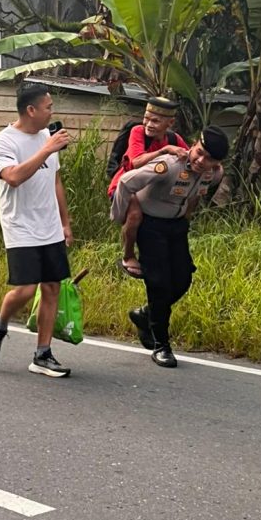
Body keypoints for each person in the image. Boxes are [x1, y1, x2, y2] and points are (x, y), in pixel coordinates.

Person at [110, 126, 229, 368]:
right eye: (199, 152)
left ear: (216, 163)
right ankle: (161, 345)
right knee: (159, 284)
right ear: (194, 145)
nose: (200, 160)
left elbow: (196, 196)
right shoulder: (168, 164)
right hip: (151, 226)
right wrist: (121, 217)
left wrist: (185, 221)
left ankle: (146, 314)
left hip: (175, 227)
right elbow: (125, 182)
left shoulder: (211, 173)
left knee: (183, 279)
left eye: (209, 159)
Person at [0, 83, 74, 378]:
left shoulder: (48, 136)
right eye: (48, 107)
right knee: (25, 289)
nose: (52, 112)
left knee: (52, 286)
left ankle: (42, 354)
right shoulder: (5, 141)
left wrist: (65, 222)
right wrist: (46, 149)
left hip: (49, 225)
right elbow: (13, 177)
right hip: (20, 225)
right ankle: (0, 324)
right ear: (31, 110)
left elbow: (55, 181)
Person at [108, 96, 189, 278]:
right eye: (146, 118)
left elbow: (189, 156)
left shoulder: (174, 139)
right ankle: (128, 255)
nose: (149, 124)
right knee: (135, 214)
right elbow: (136, 162)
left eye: (156, 121)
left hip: (153, 190)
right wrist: (164, 151)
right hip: (127, 185)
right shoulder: (137, 132)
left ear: (170, 122)